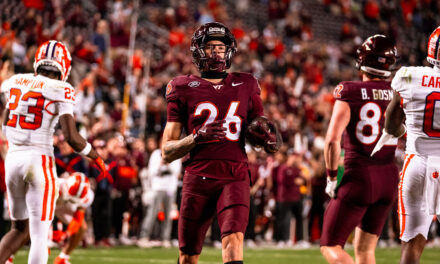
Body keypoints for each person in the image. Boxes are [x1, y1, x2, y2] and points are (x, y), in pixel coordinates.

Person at [161, 22, 281, 264]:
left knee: (233, 240)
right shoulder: (182, 86)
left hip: (234, 173)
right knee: (188, 256)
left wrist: (265, 139)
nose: (216, 52)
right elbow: (166, 151)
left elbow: (259, 129)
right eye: (210, 47)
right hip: (198, 175)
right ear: (198, 51)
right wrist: (195, 137)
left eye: (220, 47)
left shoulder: (246, 83)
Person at [0, 40, 107, 264]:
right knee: (39, 234)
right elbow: (71, 137)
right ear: (64, 66)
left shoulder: (13, 82)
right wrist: (95, 156)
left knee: (19, 229)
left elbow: (6, 119)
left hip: (12, 158)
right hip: (38, 159)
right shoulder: (62, 89)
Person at [320, 35, 401, 264]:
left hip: (360, 176)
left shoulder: (350, 91)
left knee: (330, 245)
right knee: (365, 251)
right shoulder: (398, 92)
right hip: (388, 177)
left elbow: (332, 140)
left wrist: (331, 177)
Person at [374, 26, 440, 264]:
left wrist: (403, 131)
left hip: (417, 163)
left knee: (411, 246)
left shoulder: (409, 75)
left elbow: (390, 126)